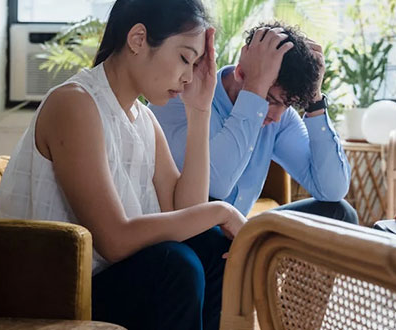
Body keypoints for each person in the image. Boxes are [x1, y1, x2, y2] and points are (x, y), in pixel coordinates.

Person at [0, 0, 247, 330]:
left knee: (213, 249)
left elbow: (185, 211)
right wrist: (223, 210)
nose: (188, 77)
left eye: (196, 64)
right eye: (185, 58)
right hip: (52, 291)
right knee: (175, 265)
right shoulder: (75, 103)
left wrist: (199, 110)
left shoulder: (142, 118)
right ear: (138, 39)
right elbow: (114, 240)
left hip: (108, 281)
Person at [151, 21, 357, 224]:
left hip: (238, 232)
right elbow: (216, 186)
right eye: (270, 100)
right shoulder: (184, 95)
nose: (277, 116)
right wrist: (256, 90)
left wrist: (314, 100)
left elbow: (332, 190)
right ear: (240, 73)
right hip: (188, 231)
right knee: (211, 216)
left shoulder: (279, 117)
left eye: (288, 105)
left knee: (339, 213)